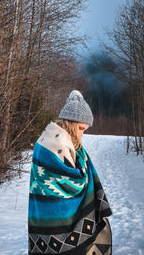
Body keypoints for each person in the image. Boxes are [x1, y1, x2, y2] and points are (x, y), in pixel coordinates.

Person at [28, 90, 112, 255]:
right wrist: (84, 180)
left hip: (41, 213)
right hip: (56, 216)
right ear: (72, 123)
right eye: (81, 128)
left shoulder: (52, 137)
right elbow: (70, 183)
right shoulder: (57, 143)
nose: (82, 133)